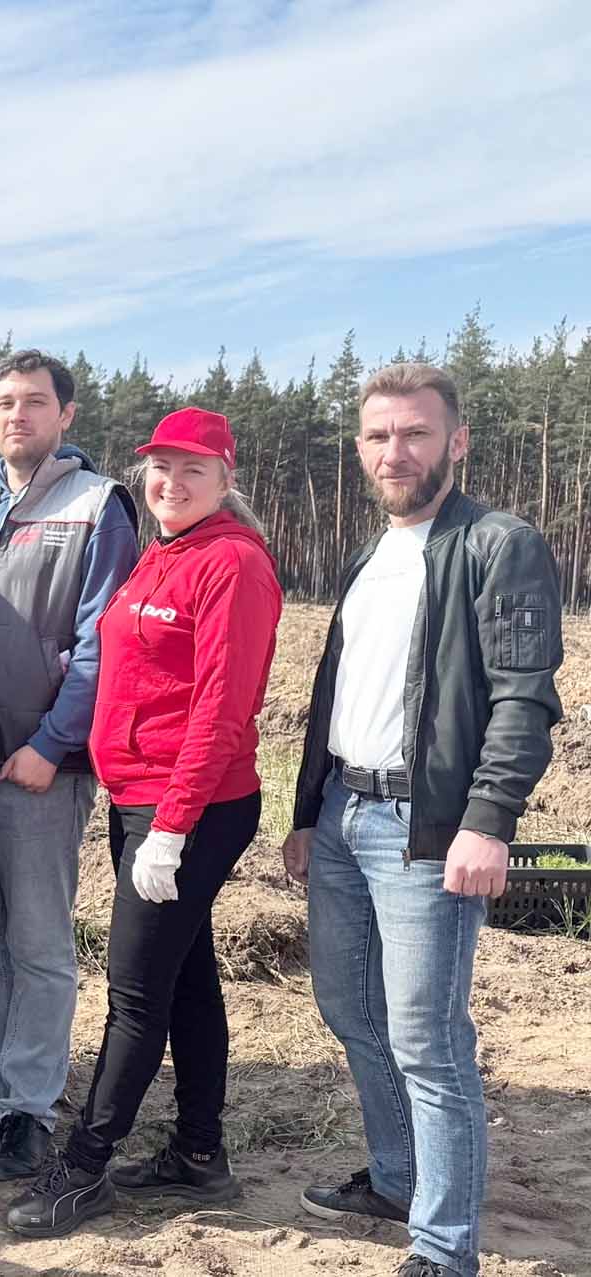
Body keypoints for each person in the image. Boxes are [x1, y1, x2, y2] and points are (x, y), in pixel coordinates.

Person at [285, 364, 563, 1277]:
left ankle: (443, 1250)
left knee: (429, 1041)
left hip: (426, 827)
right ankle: (400, 1177)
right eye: (378, 436)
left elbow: (524, 697)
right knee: (348, 1006)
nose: (394, 451)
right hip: (341, 816)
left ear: (456, 441)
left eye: (414, 433)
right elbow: (336, 691)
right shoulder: (370, 555)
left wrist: (488, 820)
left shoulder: (498, 543)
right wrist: (304, 810)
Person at [5, 407, 282, 1238]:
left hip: (186, 805)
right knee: (184, 975)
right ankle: (199, 1153)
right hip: (142, 801)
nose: (170, 482)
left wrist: (171, 826)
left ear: (226, 479)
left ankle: (84, 1166)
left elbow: (221, 711)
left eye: (192, 470)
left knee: (133, 993)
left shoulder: (231, 563)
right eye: (160, 467)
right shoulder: (162, 552)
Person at [0, 350, 138, 1179]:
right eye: (4, 402)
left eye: (35, 403)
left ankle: (32, 1107)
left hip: (38, 763)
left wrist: (50, 744)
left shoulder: (96, 506)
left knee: (41, 942)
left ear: (65, 415)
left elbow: (99, 644)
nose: (18, 415)